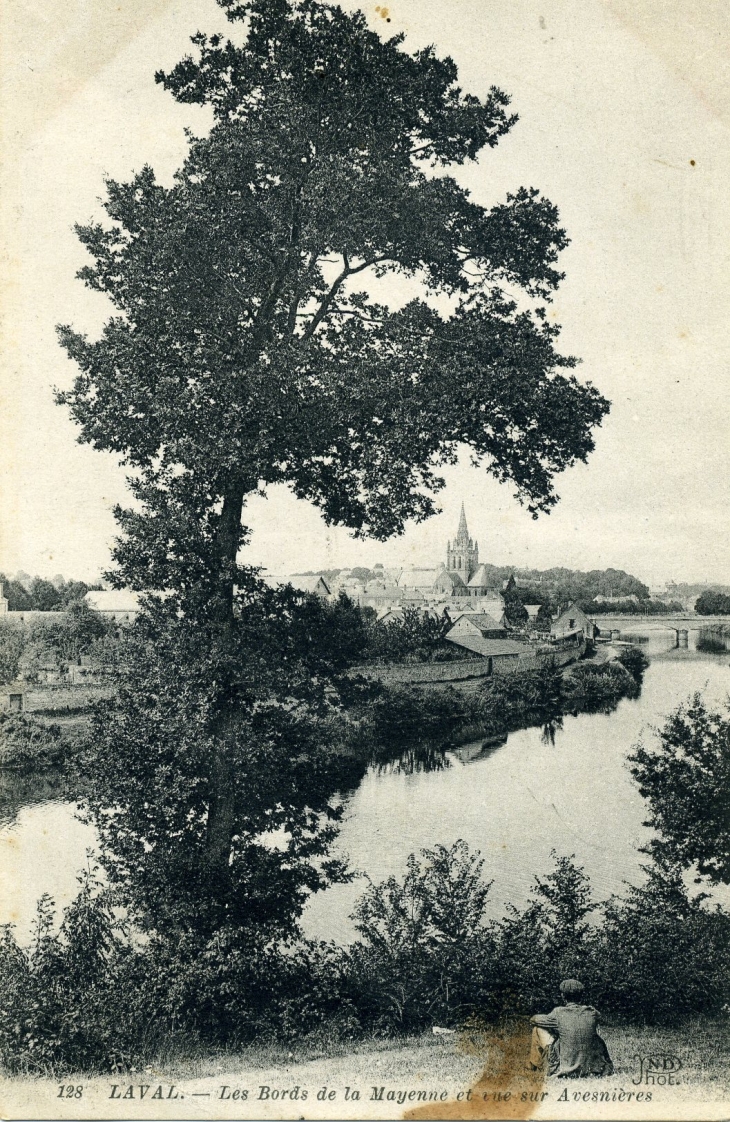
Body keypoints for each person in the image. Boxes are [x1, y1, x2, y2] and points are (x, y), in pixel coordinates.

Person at [529, 979, 614, 1078]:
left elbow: (534, 1019)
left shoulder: (559, 1013)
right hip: (592, 1068)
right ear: (581, 996)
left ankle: (533, 1066)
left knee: (537, 1029)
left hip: (566, 1068)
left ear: (563, 996)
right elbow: (599, 1019)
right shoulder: (591, 1012)